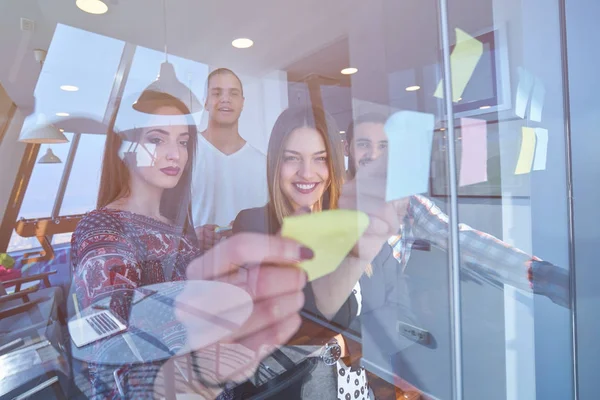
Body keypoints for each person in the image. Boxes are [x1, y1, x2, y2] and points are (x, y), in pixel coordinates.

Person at [69, 92, 311, 400]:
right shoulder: (105, 230)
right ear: (125, 147)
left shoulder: (179, 231)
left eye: (183, 141)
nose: (175, 154)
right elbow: (108, 357)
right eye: (157, 139)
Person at [232, 106, 399, 399]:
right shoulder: (255, 225)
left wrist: (345, 343)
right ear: (275, 164)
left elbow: (398, 312)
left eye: (319, 159)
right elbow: (301, 320)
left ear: (334, 163)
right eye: (292, 159)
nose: (306, 173)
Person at [192, 68, 269, 252]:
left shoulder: (263, 164)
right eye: (217, 93)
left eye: (233, 93)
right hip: (194, 272)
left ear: (242, 103)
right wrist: (190, 237)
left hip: (247, 273)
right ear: (205, 102)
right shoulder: (185, 154)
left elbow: (271, 224)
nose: (225, 99)